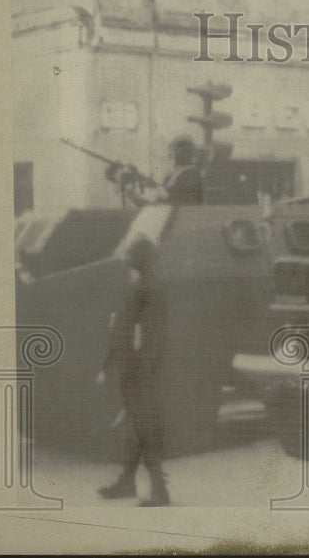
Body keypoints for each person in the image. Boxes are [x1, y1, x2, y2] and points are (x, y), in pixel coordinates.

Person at [96, 237, 170, 506]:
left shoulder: (145, 288)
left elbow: (148, 335)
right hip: (135, 367)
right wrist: (109, 364)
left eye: (130, 254)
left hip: (138, 369)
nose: (126, 257)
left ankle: (160, 490)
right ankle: (128, 482)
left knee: (143, 427)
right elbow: (123, 328)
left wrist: (139, 370)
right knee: (136, 426)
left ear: (138, 260)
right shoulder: (141, 286)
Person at [105, 135, 204, 206]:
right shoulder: (172, 175)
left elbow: (173, 198)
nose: (171, 156)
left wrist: (154, 186)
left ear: (185, 154)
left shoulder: (191, 174)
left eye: (174, 152)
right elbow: (163, 198)